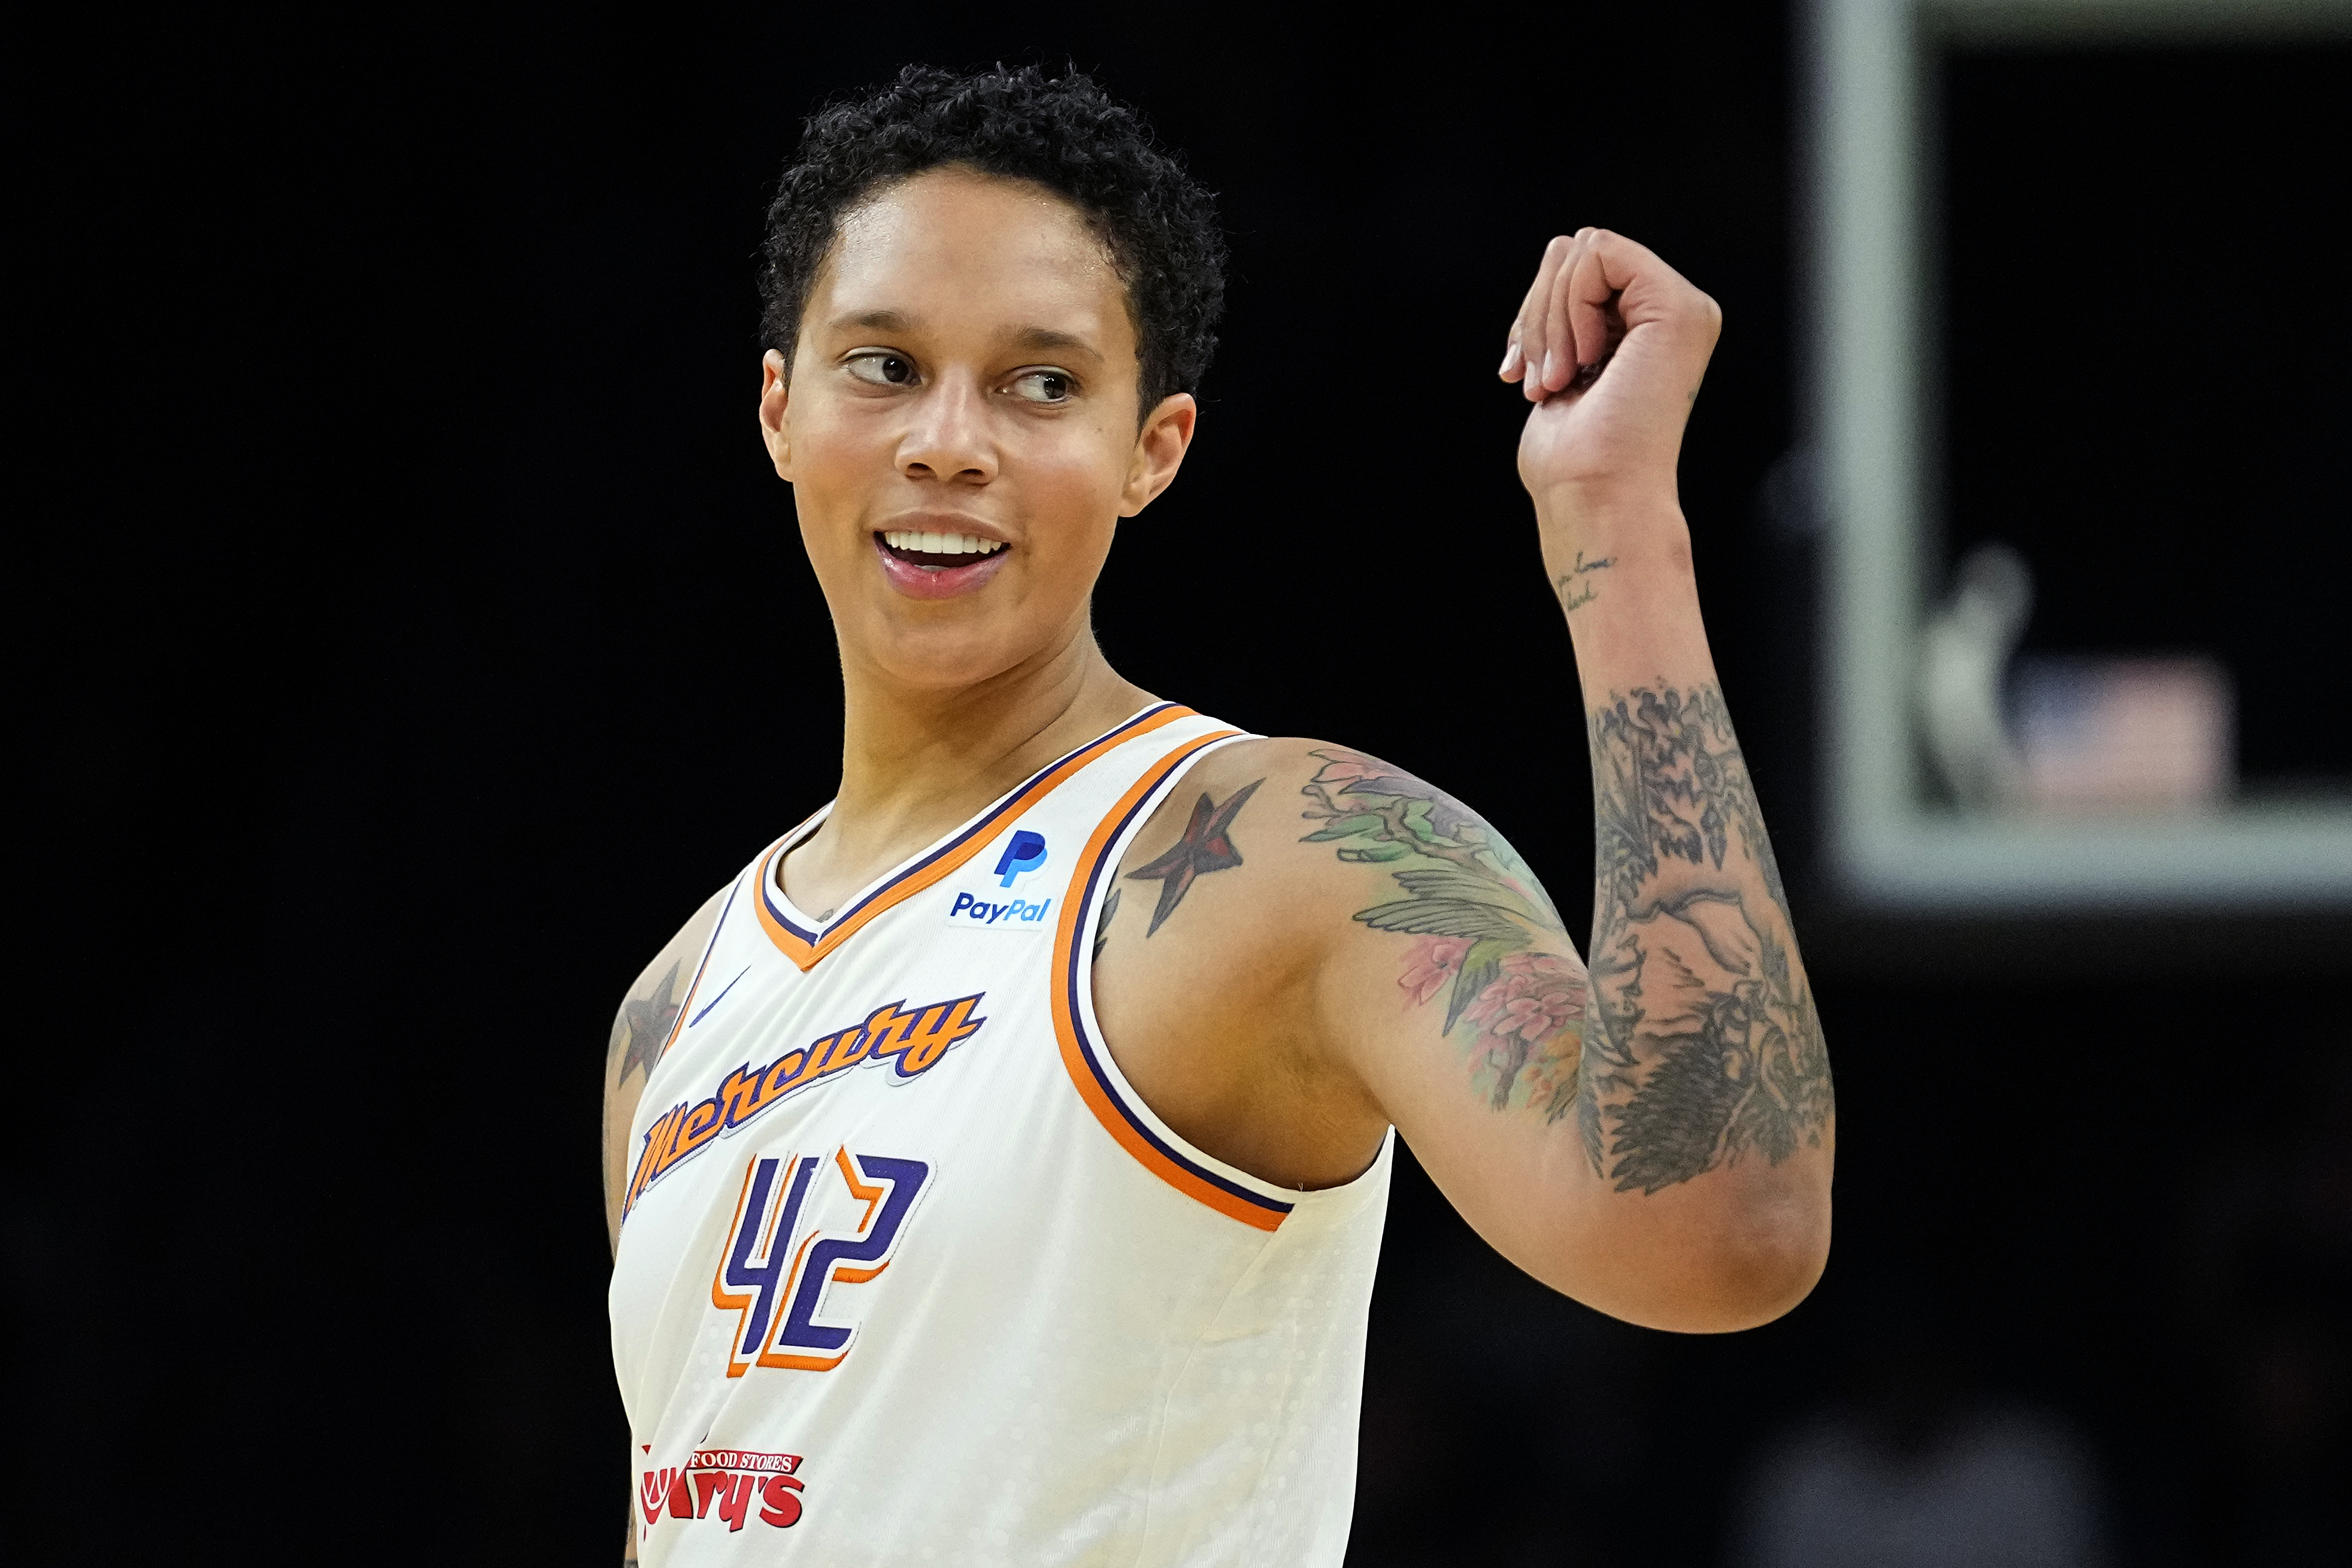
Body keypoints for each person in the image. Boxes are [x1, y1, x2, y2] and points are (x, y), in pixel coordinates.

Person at [602, 63, 1833, 1567]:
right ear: (780, 408)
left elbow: (1722, 1228)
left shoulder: (1281, 853)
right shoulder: (671, 1011)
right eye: (883, 364)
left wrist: (1617, 527)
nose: (947, 441)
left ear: (1153, 447)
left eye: (1041, 382)